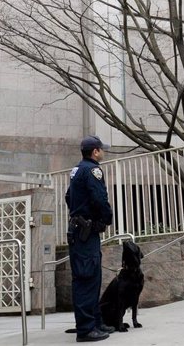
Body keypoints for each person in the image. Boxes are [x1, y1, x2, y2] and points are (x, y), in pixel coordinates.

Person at [65, 135, 114, 343]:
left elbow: (68, 197)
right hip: (86, 232)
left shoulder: (76, 170)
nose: (103, 152)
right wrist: (106, 218)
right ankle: (86, 329)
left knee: (89, 278)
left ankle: (94, 322)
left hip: (79, 231)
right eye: (101, 149)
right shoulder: (93, 170)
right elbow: (99, 198)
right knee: (87, 278)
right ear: (95, 151)